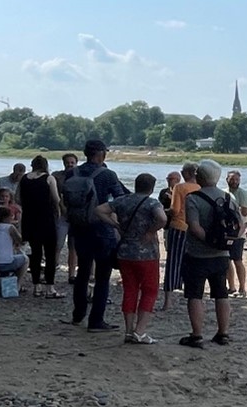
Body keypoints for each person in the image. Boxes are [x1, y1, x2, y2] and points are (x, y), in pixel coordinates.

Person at [63, 139, 124, 331]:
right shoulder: (107, 174)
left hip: (79, 227)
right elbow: (121, 199)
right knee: (102, 276)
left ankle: (78, 314)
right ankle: (96, 320)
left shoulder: (74, 172)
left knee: (82, 272)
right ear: (100, 154)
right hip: (102, 230)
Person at [98, 171, 165, 344]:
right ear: (151, 188)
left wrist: (115, 225)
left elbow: (99, 210)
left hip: (125, 252)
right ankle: (140, 331)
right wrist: (151, 230)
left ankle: (128, 331)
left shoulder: (123, 200)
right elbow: (162, 218)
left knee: (130, 290)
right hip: (147, 253)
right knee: (150, 290)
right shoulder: (151, 203)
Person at [180, 160, 238, 347]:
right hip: (222, 255)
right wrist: (222, 243)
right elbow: (239, 225)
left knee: (195, 295)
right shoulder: (229, 198)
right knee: (221, 293)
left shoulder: (193, 198)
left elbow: (194, 227)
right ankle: (223, 333)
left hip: (197, 254)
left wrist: (208, 241)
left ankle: (196, 335)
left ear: (199, 176)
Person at [18, 155, 62, 298]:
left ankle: (36, 286)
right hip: (46, 219)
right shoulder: (49, 179)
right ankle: (50, 288)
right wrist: (58, 209)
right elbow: (56, 199)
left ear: (32, 165)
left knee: (35, 254)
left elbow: (17, 198)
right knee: (50, 254)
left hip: (29, 219)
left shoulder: (24, 178)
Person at [161, 162, 196, 307]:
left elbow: (174, 210)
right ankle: (191, 294)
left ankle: (168, 300)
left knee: (173, 262)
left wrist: (163, 211)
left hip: (179, 226)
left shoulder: (179, 188)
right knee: (192, 262)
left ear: (186, 173)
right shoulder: (200, 187)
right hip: (193, 228)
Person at [225, 169, 247, 295]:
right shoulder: (224, 192)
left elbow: (245, 213)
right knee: (226, 259)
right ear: (227, 180)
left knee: (237, 260)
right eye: (232, 179)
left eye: (236, 179)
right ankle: (231, 286)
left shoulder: (242, 194)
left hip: (238, 232)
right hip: (226, 231)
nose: (234, 182)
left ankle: (242, 287)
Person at [56, 151, 80, 282]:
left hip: (76, 216)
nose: (70, 165)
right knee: (58, 244)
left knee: (73, 246)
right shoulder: (57, 176)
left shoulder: (81, 177)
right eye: (68, 163)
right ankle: (52, 269)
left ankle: (72, 274)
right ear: (63, 163)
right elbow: (56, 195)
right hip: (62, 215)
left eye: (72, 163)